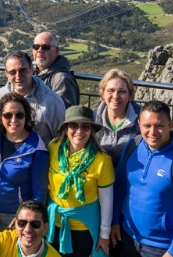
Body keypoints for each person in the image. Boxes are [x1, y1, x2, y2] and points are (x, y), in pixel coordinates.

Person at [111, 100, 173, 257]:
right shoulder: (134, 145)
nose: (152, 132)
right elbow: (120, 185)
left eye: (159, 125)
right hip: (127, 237)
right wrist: (115, 221)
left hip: (161, 248)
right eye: (147, 125)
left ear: (170, 125)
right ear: (139, 124)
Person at [46, 105, 112, 257]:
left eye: (85, 126)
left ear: (92, 131)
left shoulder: (102, 160)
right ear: (65, 129)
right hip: (54, 224)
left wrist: (104, 235)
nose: (79, 131)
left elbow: (106, 201)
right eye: (73, 125)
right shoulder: (54, 147)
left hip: (83, 230)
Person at [0, 92, 48, 233]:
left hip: (16, 218)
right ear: (0, 117)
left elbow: (39, 192)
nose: (14, 120)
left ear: (26, 116)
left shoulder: (36, 149)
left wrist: (27, 220)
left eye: (19, 115)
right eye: (7, 115)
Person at [0, 51, 65, 144]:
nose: (18, 76)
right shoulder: (0, 95)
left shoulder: (52, 102)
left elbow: (61, 141)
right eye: (12, 72)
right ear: (6, 74)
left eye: (22, 70)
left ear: (31, 69)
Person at [93, 69, 141, 167]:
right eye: (110, 91)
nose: (115, 96)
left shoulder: (141, 121)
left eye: (122, 92)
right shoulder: (92, 119)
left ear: (130, 95)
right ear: (102, 94)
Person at [33, 32, 79, 108]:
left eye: (46, 47)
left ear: (56, 50)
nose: (40, 50)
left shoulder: (62, 79)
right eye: (36, 46)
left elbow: (64, 113)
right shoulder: (31, 72)